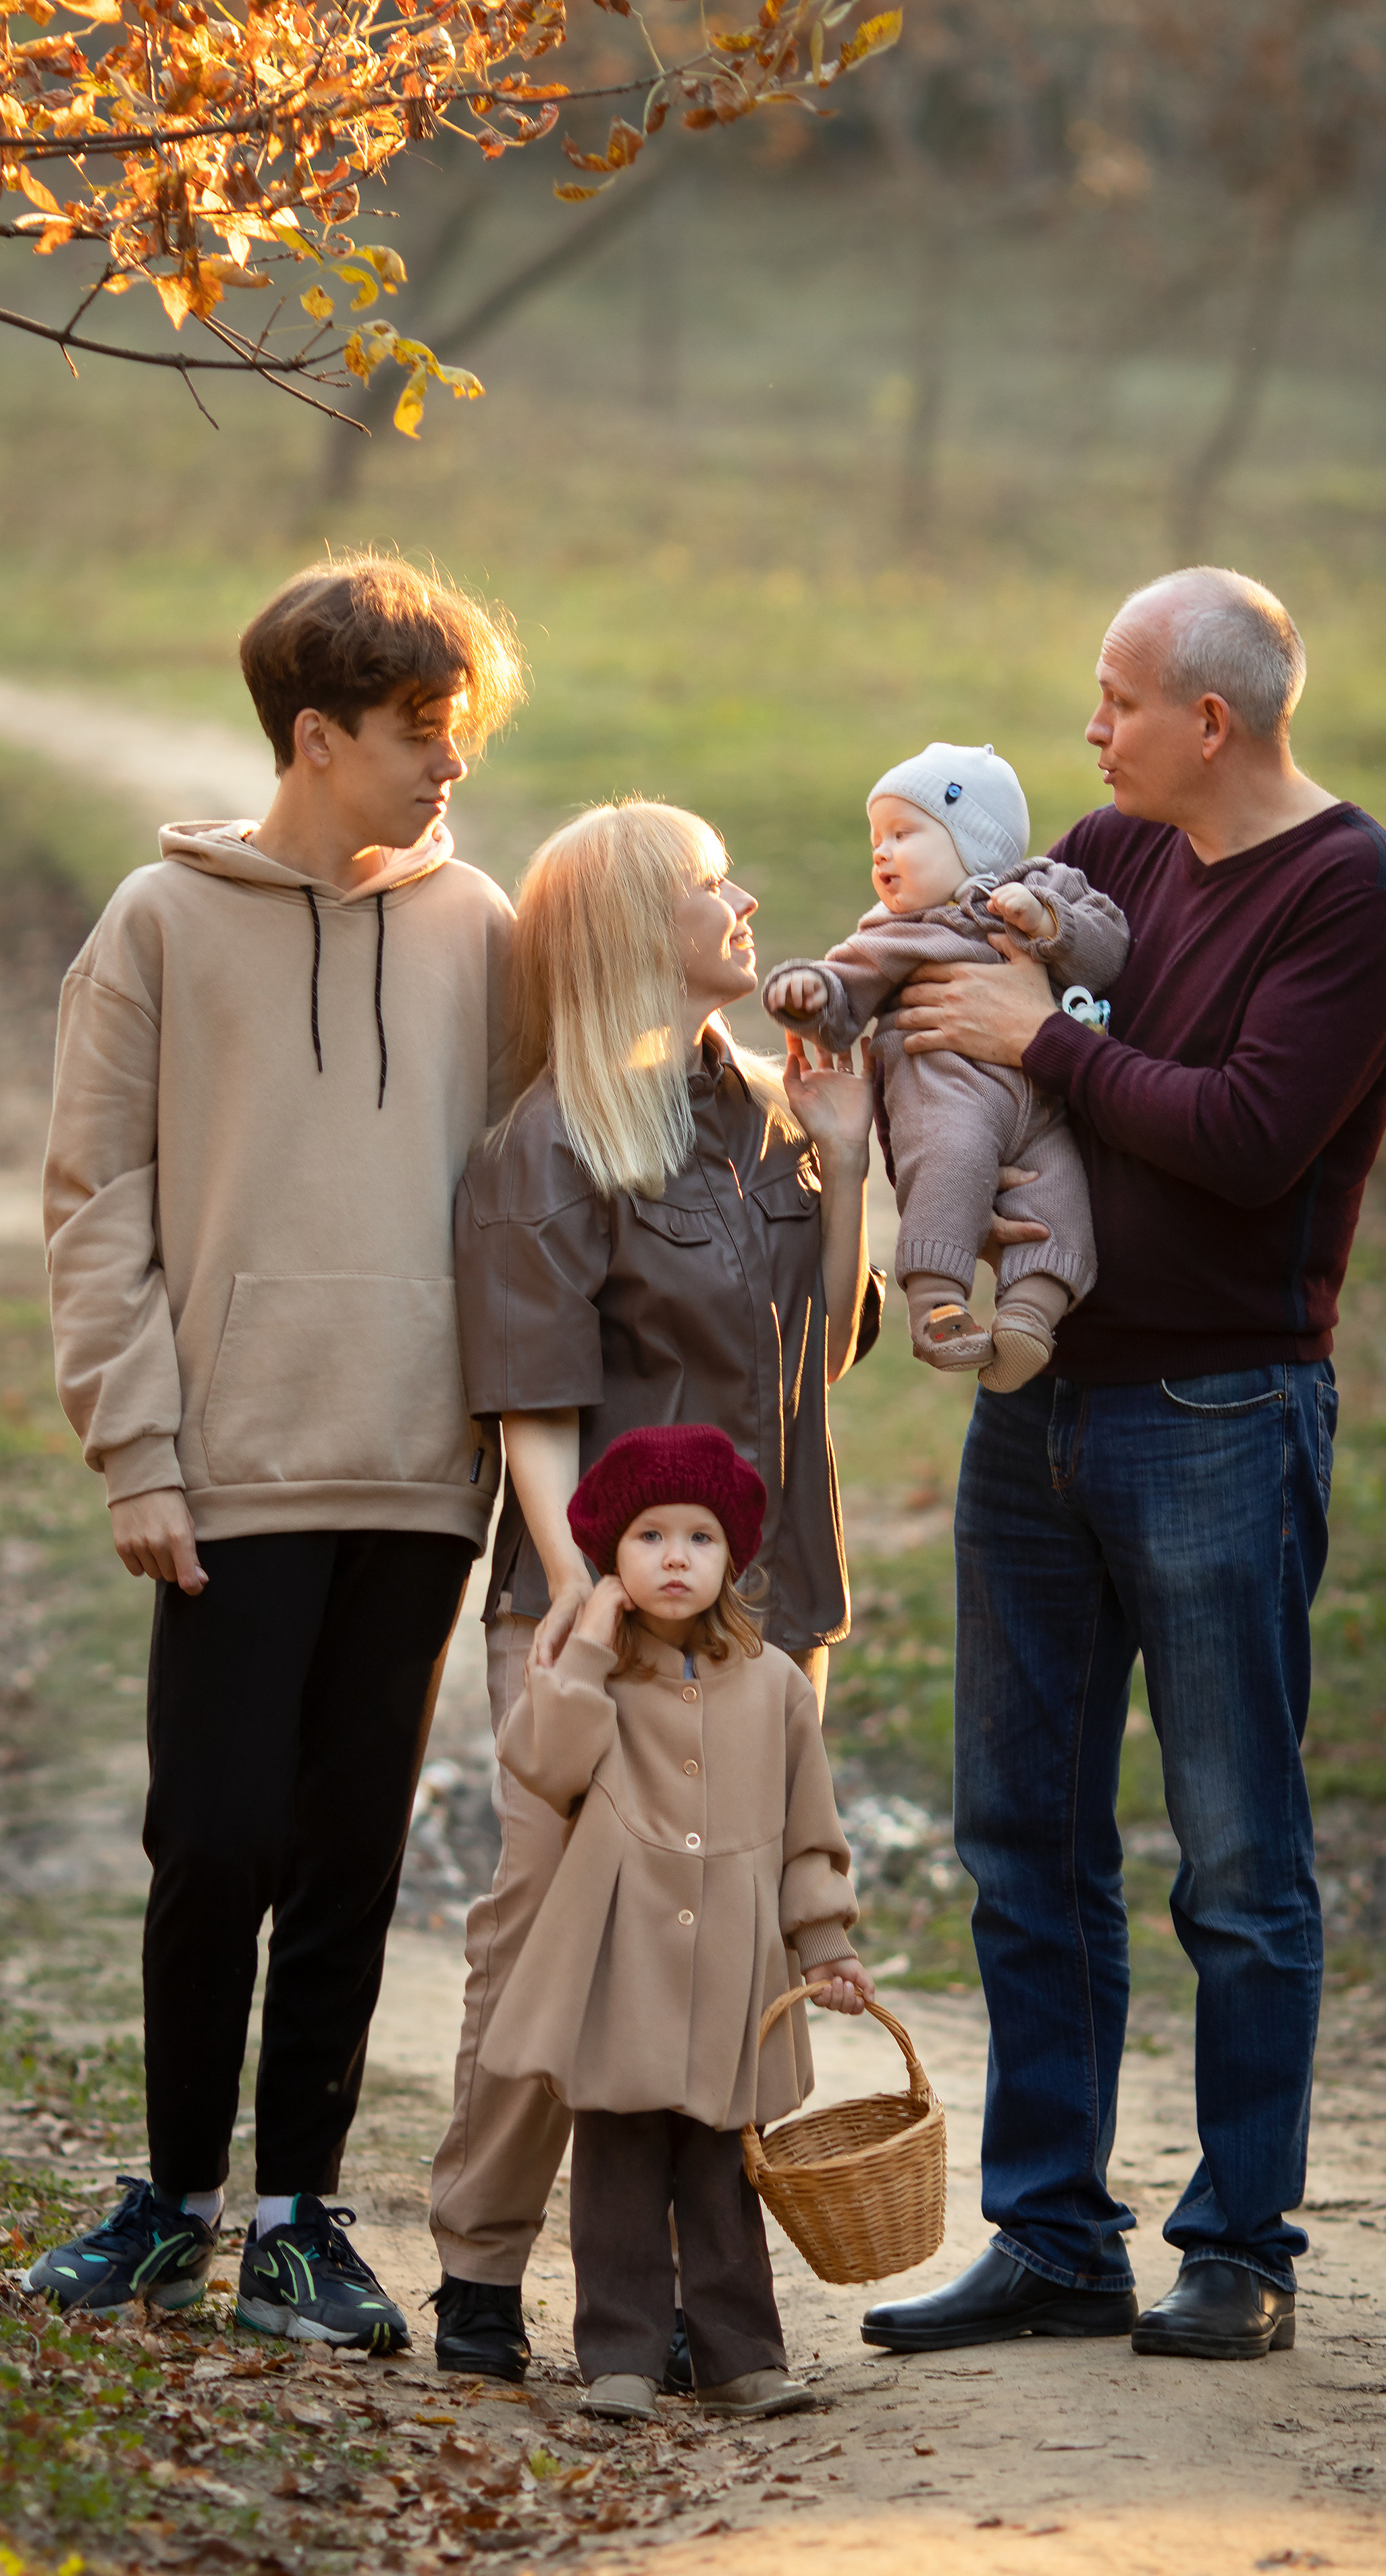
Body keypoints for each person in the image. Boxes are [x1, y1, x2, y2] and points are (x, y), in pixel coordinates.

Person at [859, 566, 1386, 2365]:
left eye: (1116, 697)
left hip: (1220, 1415)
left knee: (1237, 1861)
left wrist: (1037, 1042)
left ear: (1217, 721)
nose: (1088, 729)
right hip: (1038, 1402)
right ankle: (1053, 2235)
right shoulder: (1115, 841)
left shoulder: (1351, 890)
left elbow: (1255, 1137)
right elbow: (990, 1040)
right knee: (1023, 1836)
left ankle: (1239, 2248)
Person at [25, 553, 523, 2346]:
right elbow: (97, 1205)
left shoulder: (483, 931)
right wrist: (136, 1448)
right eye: (414, 737)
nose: (444, 769)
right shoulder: (159, 928)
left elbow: (564, 1153)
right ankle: (171, 2201)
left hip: (416, 1471)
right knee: (214, 1839)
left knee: (351, 1858)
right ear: (316, 737)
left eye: (453, 735)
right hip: (230, 1466)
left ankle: (303, 2224)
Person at [425, 797, 886, 2380]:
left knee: (729, 1936)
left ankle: (691, 2304)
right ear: (632, 926)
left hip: (766, 1608)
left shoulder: (765, 1108)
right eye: (709, 883)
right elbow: (530, 1413)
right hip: (597, 1616)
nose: (746, 898)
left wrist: (842, 1165)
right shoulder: (543, 1143)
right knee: (551, 1934)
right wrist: (589, 1610)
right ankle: (481, 2270)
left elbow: (817, 1363)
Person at [480, 1423, 872, 2421]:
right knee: (614, 2169)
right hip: (621, 1971)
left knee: (719, 2171)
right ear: (612, 1557)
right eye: (648, 1536)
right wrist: (592, 1635)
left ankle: (741, 2358)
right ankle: (622, 2356)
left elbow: (808, 1835)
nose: (674, 1557)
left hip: (732, 1975)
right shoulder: (591, 1676)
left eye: (699, 1537)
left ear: (730, 1555)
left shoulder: (775, 1685)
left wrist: (824, 1947)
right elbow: (548, 1765)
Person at [763, 740, 1129, 1392]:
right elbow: (845, 993)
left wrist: (1051, 924)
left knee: (1062, 1202)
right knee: (950, 1165)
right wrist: (810, 993)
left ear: (974, 839)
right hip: (945, 1093)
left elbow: (1108, 950)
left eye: (903, 833)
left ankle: (1027, 1321)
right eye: (876, 837)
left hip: (1044, 1108)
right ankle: (939, 1306)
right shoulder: (892, 932)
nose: (881, 851)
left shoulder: (1049, 886)